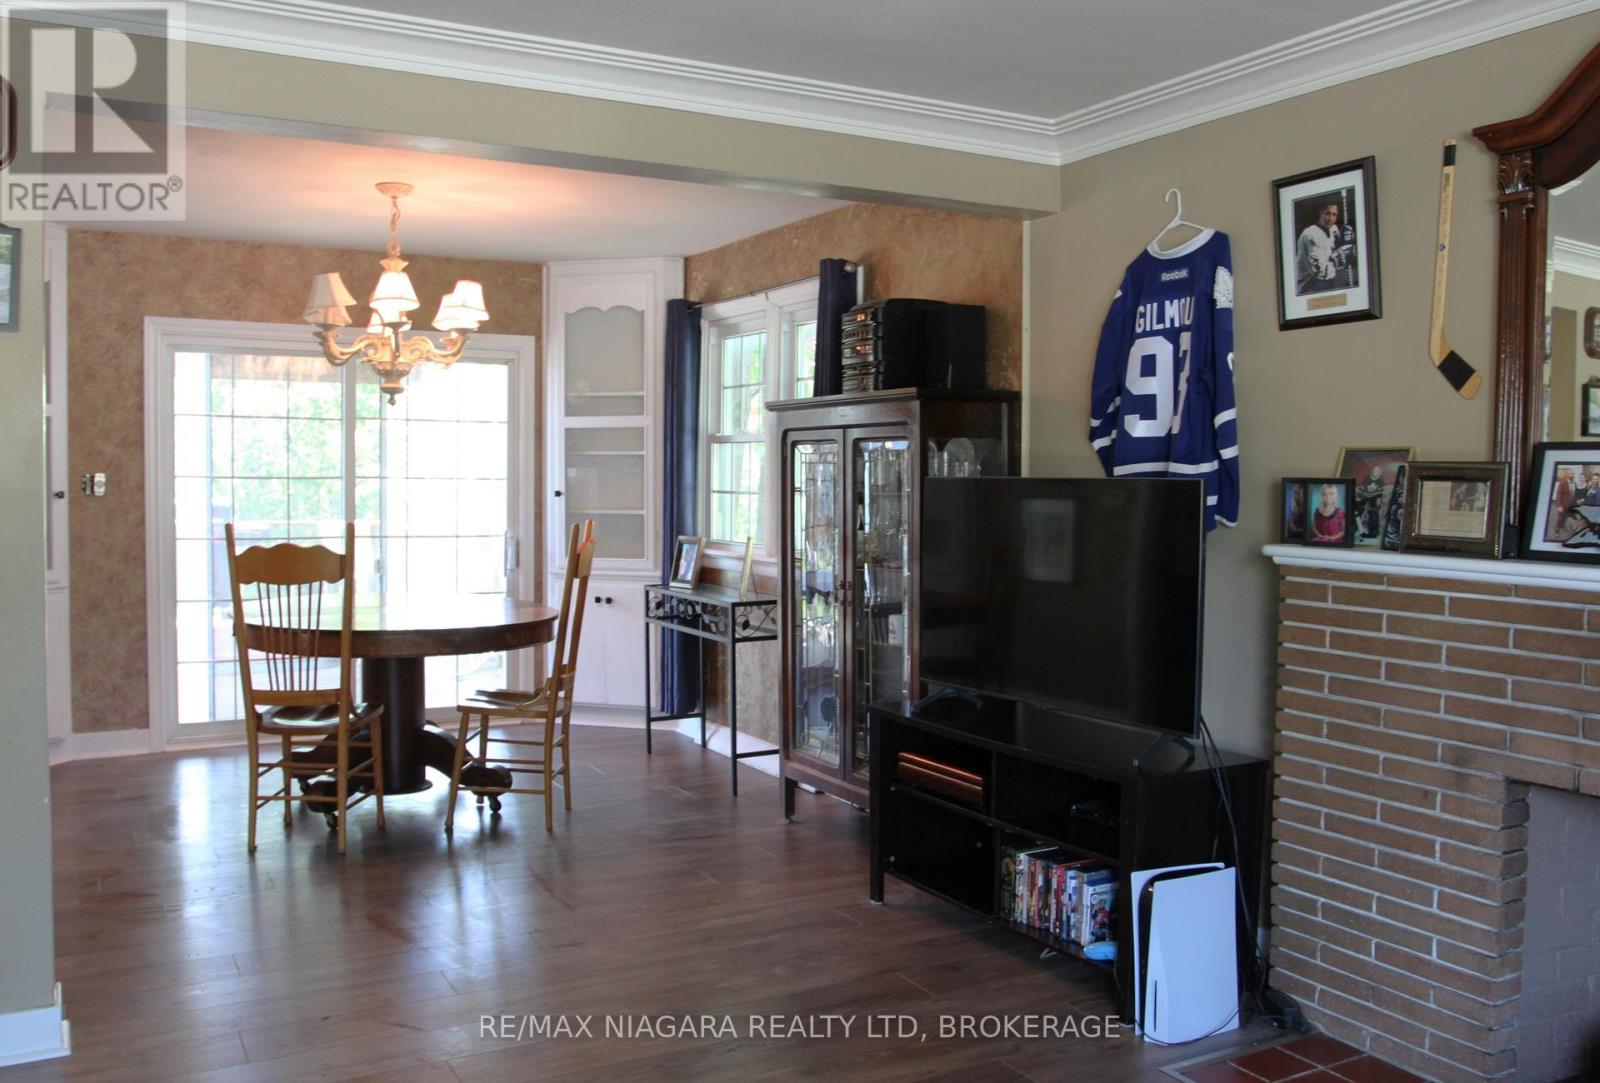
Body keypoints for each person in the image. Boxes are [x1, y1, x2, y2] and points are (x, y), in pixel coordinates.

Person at [1296, 202, 1344, 294]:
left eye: (1334, 215)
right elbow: (1320, 273)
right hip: (1307, 283)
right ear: (1321, 213)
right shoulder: (1311, 234)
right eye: (1328, 214)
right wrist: (1338, 260)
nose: (1331, 219)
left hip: (1326, 276)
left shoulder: (1333, 229)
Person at [1354, 465, 1386, 541]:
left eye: (1378, 471)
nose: (1376, 472)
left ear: (1380, 473)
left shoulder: (1381, 481)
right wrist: (1358, 499)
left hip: (1374, 497)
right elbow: (1361, 489)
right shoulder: (1367, 478)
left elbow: (1379, 494)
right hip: (1363, 496)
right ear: (1372, 471)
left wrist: (1378, 503)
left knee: (1374, 513)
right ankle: (1354, 529)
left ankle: (1373, 532)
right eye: (1375, 470)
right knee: (1357, 511)